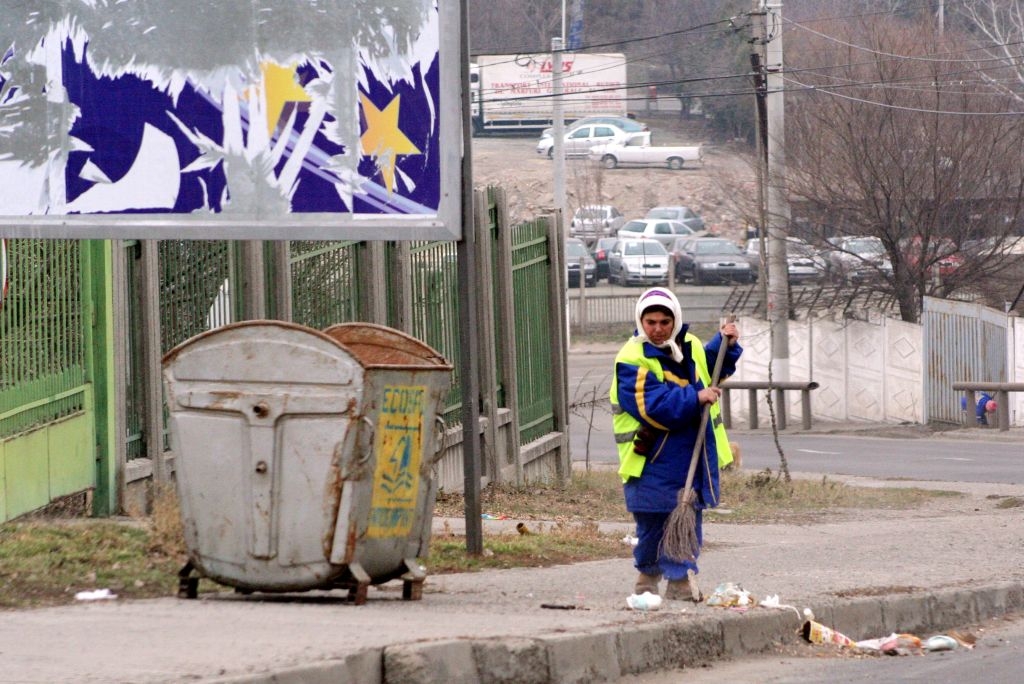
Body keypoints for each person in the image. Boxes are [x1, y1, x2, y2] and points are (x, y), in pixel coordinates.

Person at [610, 286, 741, 601]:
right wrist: (696, 397)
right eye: (650, 321)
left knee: (685, 518)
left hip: (687, 455)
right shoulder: (630, 358)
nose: (657, 329)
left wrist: (725, 345)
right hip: (649, 457)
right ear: (641, 322)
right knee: (653, 519)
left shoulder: (690, 344)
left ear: (675, 321)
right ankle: (648, 576)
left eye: (664, 322)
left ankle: (680, 579)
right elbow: (652, 406)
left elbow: (708, 368)